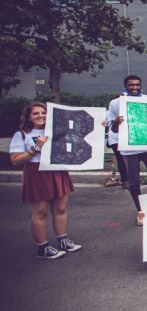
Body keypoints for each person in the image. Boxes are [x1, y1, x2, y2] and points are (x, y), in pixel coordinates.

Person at [10, 102, 82, 259]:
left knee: (61, 209)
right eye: (35, 113)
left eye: (43, 113)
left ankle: (63, 240)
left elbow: (81, 135)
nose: (40, 116)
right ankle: (43, 248)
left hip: (57, 170)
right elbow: (16, 160)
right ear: (29, 116)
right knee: (40, 212)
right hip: (37, 172)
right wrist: (36, 147)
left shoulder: (57, 131)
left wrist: (100, 125)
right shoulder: (21, 134)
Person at [108, 75, 147, 226]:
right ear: (125, 86)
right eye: (131, 85)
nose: (134, 87)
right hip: (129, 149)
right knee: (134, 183)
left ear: (141, 86)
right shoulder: (116, 103)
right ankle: (141, 212)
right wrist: (116, 123)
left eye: (137, 85)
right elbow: (112, 129)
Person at [106, 93, 129, 188]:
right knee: (123, 160)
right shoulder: (112, 112)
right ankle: (126, 180)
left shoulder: (109, 111)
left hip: (118, 138)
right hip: (116, 138)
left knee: (122, 160)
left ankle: (126, 181)